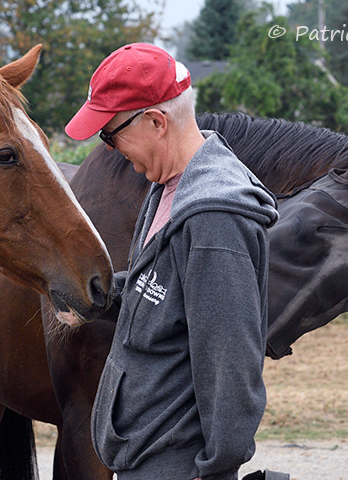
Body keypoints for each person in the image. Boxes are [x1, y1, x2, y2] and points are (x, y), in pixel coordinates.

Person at [65, 43, 280, 480]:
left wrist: (216, 467)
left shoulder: (214, 218)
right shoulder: (169, 188)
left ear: (156, 122)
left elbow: (230, 357)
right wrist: (100, 297)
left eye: (111, 133)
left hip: (178, 465)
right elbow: (164, 293)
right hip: (149, 453)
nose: (110, 148)